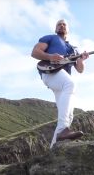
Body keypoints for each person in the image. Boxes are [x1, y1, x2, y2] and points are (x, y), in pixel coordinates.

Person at [31, 19, 89, 148]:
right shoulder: (50, 38)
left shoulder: (73, 49)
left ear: (68, 29)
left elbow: (80, 69)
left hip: (62, 81)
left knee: (69, 115)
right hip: (50, 73)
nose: (61, 26)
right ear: (55, 28)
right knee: (71, 84)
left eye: (64, 24)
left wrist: (81, 59)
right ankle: (63, 130)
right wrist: (50, 56)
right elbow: (35, 52)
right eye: (59, 24)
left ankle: (53, 150)